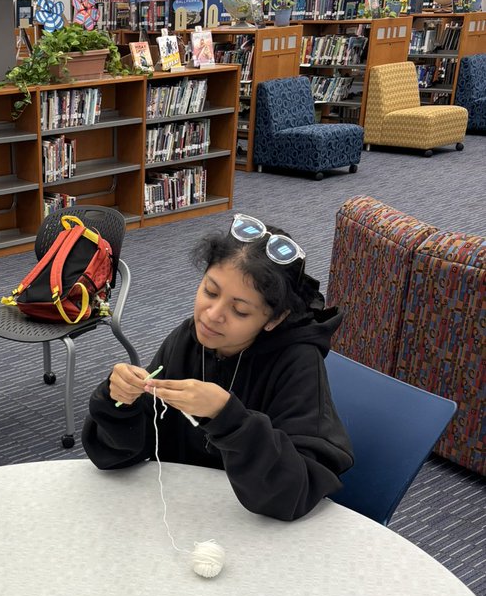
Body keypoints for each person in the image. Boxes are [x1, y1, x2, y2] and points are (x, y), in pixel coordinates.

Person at [82, 214, 353, 521]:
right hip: (183, 515)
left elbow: (293, 493)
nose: (212, 315)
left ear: (274, 319)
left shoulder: (297, 363)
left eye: (240, 310)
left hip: (257, 531)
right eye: (210, 292)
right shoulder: (188, 339)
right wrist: (119, 402)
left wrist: (228, 419)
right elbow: (122, 454)